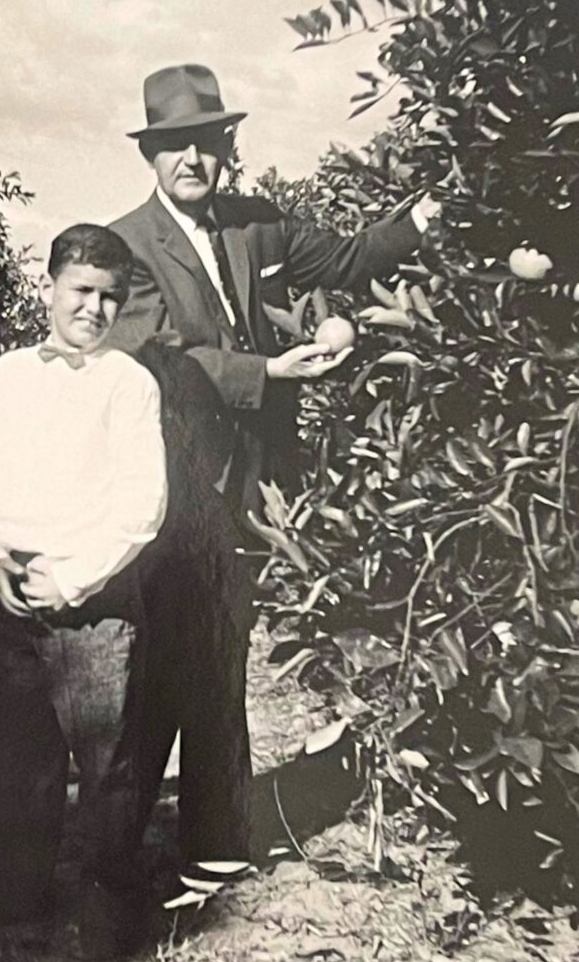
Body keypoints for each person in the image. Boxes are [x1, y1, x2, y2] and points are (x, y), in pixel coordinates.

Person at [105, 64, 441, 905]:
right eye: (174, 145)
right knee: (168, 657)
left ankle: (206, 846)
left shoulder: (256, 225)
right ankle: (120, 850)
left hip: (251, 485)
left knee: (220, 650)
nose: (193, 159)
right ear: (153, 155)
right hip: (171, 481)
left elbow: (355, 255)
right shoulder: (127, 244)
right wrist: (270, 370)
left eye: (206, 143)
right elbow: (159, 360)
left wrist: (427, 216)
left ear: (226, 150)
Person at [0, 223, 168, 959]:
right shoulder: (6, 376)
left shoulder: (129, 385)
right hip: (14, 590)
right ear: (49, 286)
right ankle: (14, 902)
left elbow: (142, 506)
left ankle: (109, 913)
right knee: (18, 754)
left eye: (111, 297)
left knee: (106, 763)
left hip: (96, 601)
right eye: (81, 291)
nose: (94, 310)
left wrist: (74, 578)